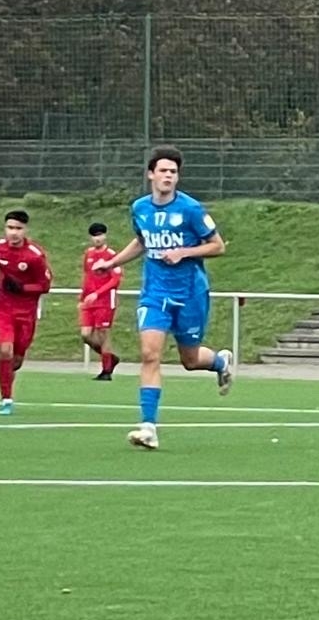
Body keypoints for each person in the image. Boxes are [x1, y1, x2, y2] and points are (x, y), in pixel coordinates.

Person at [94, 145, 234, 450]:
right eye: (163, 171)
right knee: (149, 354)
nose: (168, 176)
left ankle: (220, 362)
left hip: (190, 293)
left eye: (173, 172)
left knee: (190, 360)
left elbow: (218, 245)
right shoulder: (140, 208)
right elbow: (141, 241)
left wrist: (185, 252)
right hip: (155, 293)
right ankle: (148, 427)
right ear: (151, 175)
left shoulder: (191, 209)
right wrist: (112, 262)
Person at [0, 210, 53, 415]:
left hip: (26, 312)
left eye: (18, 228)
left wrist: (22, 288)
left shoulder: (35, 256)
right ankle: (6, 399)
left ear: (25, 230)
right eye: (10, 228)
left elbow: (45, 285)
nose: (13, 232)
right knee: (5, 350)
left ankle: (6, 376)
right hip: (2, 308)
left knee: (16, 360)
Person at [80, 222, 122, 379]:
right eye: (94, 236)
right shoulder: (89, 254)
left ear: (105, 236)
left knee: (103, 333)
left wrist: (97, 293)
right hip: (89, 300)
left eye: (100, 235)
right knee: (86, 335)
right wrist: (83, 296)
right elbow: (87, 275)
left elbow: (115, 280)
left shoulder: (111, 255)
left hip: (105, 300)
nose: (97, 239)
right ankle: (110, 358)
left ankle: (106, 370)